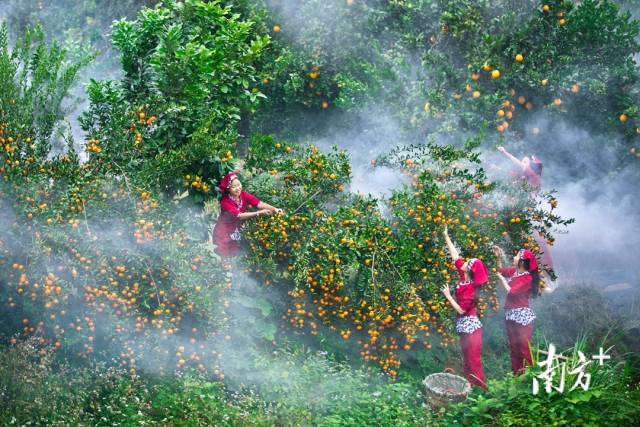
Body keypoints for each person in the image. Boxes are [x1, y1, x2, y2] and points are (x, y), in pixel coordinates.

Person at [496, 146, 557, 285]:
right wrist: (495, 168)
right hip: (515, 215)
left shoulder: (534, 177)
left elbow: (517, 165)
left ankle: (548, 279)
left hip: (525, 217)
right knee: (519, 246)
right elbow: (507, 173)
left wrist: (505, 152)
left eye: (525, 162)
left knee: (536, 247)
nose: (522, 164)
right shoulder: (524, 177)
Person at [441, 226, 488, 389]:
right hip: (463, 325)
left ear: (470, 270)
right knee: (467, 359)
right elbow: (455, 257)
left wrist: (448, 296)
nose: (464, 262)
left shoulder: (472, 289)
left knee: (474, 360)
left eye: (467, 263)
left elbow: (461, 310)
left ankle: (482, 390)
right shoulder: (464, 277)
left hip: (471, 326)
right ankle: (471, 389)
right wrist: (446, 236)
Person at [212, 171, 282, 257]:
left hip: (235, 230)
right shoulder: (225, 202)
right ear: (228, 189)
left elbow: (259, 204)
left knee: (234, 257)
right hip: (223, 232)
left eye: (238, 185)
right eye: (234, 187)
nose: (238, 188)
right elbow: (239, 216)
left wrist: (275, 209)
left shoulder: (243, 195)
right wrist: (258, 213)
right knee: (224, 258)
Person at [494, 246, 540, 375]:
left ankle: (530, 377)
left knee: (524, 347)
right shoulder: (515, 272)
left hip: (522, 315)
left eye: (517, 256)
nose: (514, 258)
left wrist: (502, 280)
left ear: (522, 262)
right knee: (514, 347)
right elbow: (501, 270)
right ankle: (517, 375)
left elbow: (512, 292)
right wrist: (497, 256)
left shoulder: (527, 278)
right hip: (511, 314)